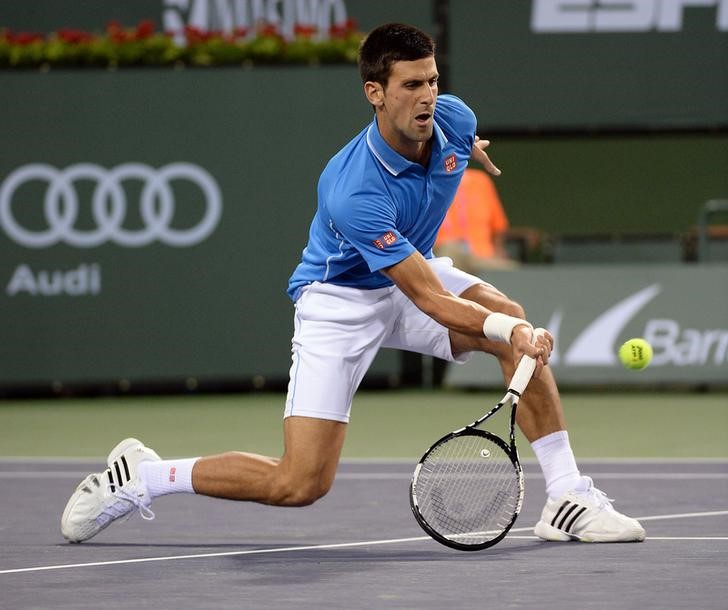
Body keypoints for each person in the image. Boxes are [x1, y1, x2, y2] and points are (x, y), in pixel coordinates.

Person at [61, 23, 644, 545]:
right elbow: (429, 299)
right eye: (411, 86)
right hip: (340, 300)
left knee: (505, 318)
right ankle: (147, 475)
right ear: (375, 93)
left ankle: (568, 496)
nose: (427, 97)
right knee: (299, 483)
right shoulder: (353, 189)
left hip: (409, 270)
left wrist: (471, 154)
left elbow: (448, 162)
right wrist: (512, 329)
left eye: (433, 81)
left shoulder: (454, 120)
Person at [435, 167, 519, 272]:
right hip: (441, 256)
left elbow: (498, 228)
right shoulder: (423, 182)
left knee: (513, 271)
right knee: (450, 250)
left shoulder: (480, 181)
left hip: (481, 256)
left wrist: (499, 253)